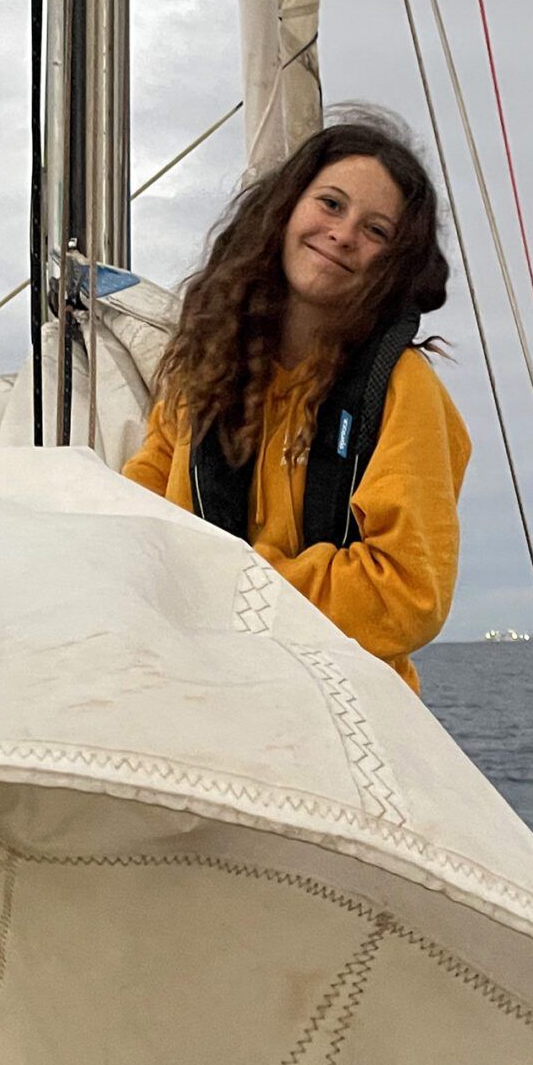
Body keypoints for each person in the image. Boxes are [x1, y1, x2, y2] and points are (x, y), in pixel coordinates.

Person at [124, 110, 469, 690]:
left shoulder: (404, 391)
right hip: (196, 683)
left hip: (339, 706)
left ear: (393, 266)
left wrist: (220, 586)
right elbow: (137, 513)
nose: (344, 233)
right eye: (331, 203)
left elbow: (408, 593)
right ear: (284, 210)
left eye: (377, 230)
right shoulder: (200, 375)